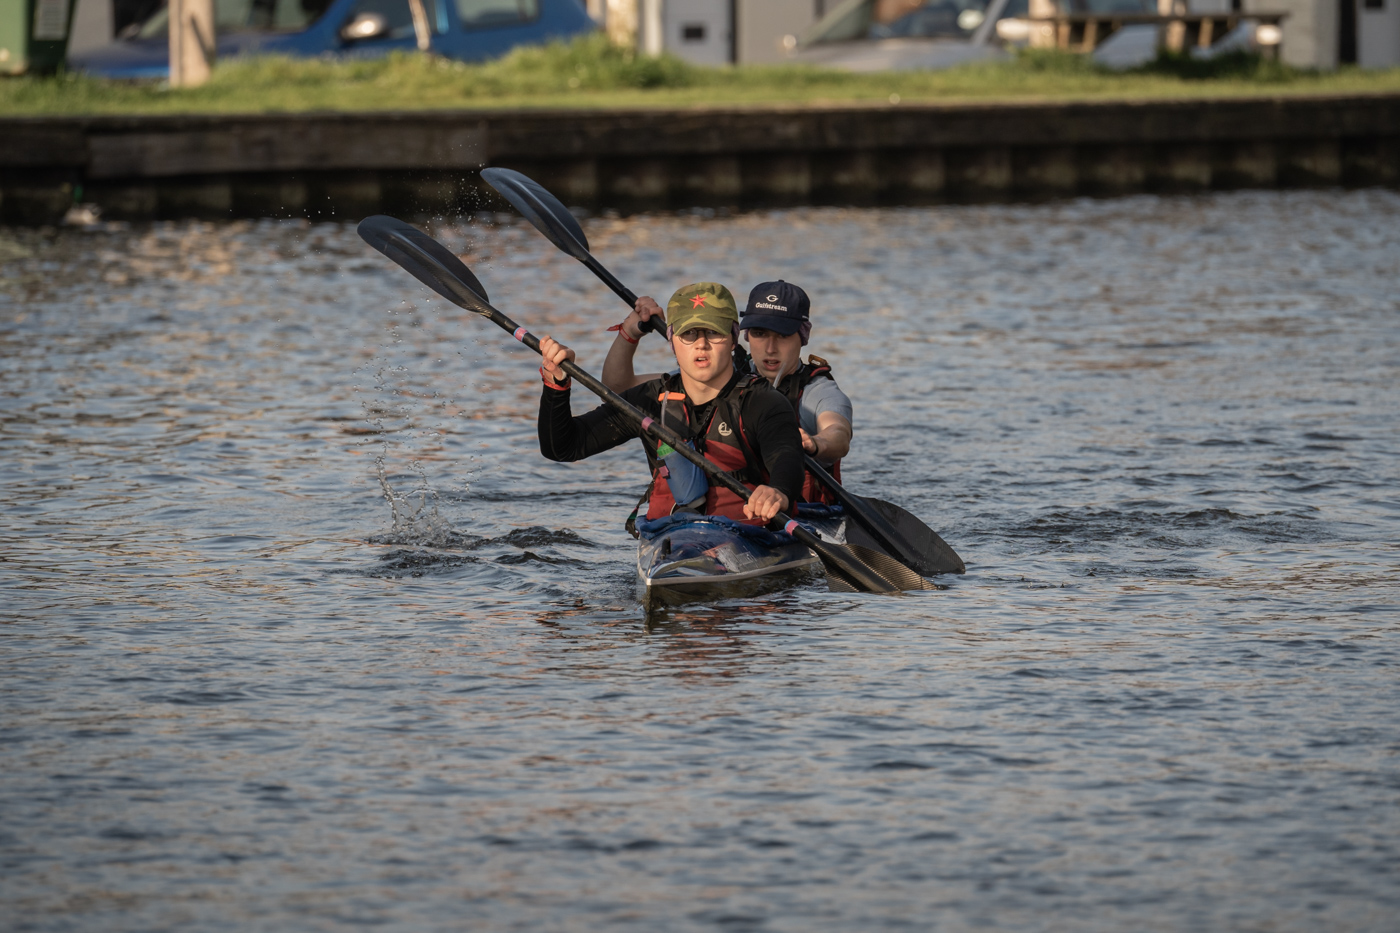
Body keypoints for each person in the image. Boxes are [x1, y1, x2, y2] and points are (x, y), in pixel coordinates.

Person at [537, 283, 805, 528]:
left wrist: (778, 491)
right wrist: (556, 385)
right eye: (689, 334)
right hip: (672, 537)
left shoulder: (763, 401)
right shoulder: (648, 401)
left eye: (714, 332)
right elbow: (562, 448)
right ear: (672, 342)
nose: (701, 344)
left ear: (734, 339)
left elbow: (786, 456)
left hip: (749, 535)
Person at [601, 280, 852, 506]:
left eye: (783, 336)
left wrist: (815, 443)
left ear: (803, 336)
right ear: (745, 335)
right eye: (760, 334)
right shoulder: (720, 373)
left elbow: (838, 434)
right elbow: (617, 392)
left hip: (803, 516)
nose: (770, 348)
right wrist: (630, 333)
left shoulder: (818, 390)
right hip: (722, 518)